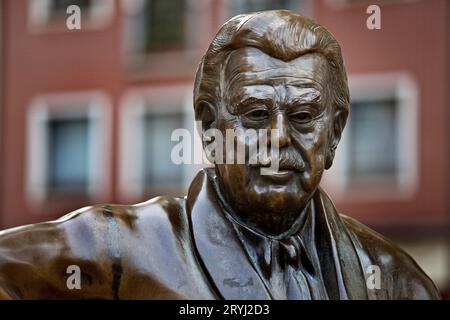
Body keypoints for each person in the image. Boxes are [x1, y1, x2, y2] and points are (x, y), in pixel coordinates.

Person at [0, 10, 440, 299]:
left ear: (335, 133)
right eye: (254, 113)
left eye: (304, 116)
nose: (278, 138)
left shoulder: (393, 277)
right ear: (210, 127)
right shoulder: (113, 248)